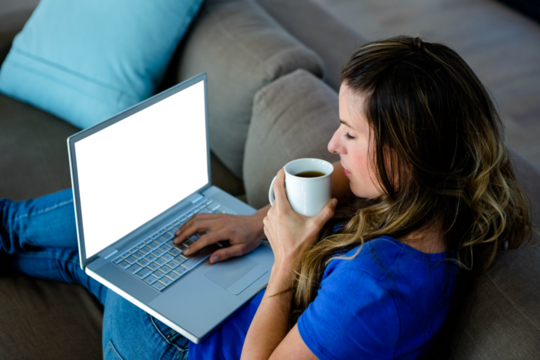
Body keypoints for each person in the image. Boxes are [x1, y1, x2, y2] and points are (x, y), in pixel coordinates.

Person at [1, 36, 537, 360]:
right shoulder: (437, 197)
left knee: (134, 222)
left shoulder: (376, 295)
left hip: (177, 349)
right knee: (110, 252)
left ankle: (9, 224)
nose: (332, 146)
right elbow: (346, 178)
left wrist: (286, 260)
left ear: (406, 155)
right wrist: (259, 222)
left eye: (350, 135)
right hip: (231, 310)